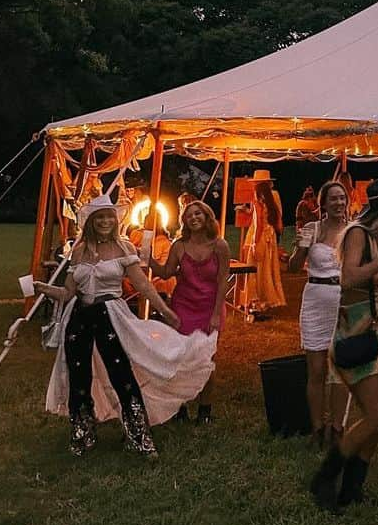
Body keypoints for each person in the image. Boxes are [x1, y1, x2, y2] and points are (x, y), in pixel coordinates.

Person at [39, 197, 215, 457]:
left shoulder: (123, 248)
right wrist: (42, 289)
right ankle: (82, 433)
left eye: (109, 216)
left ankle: (138, 434)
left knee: (122, 375)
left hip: (111, 316)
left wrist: (165, 311)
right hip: (79, 317)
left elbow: (143, 285)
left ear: (116, 219)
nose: (105, 221)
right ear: (90, 221)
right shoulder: (79, 251)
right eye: (99, 217)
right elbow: (67, 292)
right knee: (79, 376)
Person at [309, 176, 378, 510]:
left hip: (377, 331)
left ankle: (353, 489)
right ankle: (325, 476)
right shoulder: (358, 234)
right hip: (355, 333)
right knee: (377, 416)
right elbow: (349, 277)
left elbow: (376, 283)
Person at [148, 199, 230, 423]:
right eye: (189, 215)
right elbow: (166, 273)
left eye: (198, 214)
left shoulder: (220, 245)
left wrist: (215, 314)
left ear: (206, 218)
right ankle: (180, 408)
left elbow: (223, 280)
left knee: (206, 359)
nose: (193, 218)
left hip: (210, 307)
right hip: (183, 306)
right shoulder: (179, 245)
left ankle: (205, 411)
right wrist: (147, 259)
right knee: (181, 359)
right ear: (184, 220)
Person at [289, 179, 350, 445]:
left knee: (340, 369)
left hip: (343, 301)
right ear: (323, 204)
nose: (338, 203)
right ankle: (317, 428)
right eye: (333, 198)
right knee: (316, 370)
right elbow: (293, 267)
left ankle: (336, 428)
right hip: (315, 299)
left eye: (342, 198)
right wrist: (300, 248)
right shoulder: (312, 230)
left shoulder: (353, 231)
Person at [243, 179, 286, 315]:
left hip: (261, 237)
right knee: (268, 267)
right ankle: (268, 296)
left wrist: (255, 243)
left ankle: (256, 297)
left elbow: (258, 225)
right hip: (270, 236)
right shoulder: (271, 203)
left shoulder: (258, 204)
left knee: (255, 267)